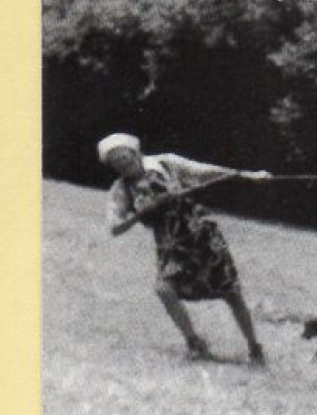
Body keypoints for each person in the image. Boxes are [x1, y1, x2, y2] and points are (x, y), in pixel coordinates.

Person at [99, 133, 271, 364]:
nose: (122, 163)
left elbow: (205, 171)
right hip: (171, 245)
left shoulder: (166, 163)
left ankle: (255, 348)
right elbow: (115, 227)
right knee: (164, 289)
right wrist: (141, 212)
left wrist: (246, 175)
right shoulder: (120, 190)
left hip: (201, 235)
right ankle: (195, 343)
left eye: (124, 156)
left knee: (232, 293)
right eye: (115, 161)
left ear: (135, 152)